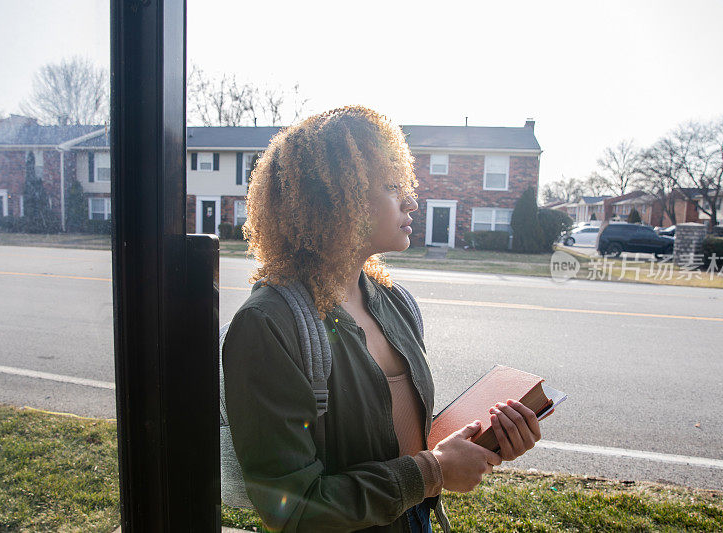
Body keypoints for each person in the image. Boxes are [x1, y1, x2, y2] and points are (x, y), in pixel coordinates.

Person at [222, 105, 542, 532]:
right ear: (336, 202)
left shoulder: (395, 301)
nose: (412, 199)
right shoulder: (268, 326)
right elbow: (293, 509)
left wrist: (479, 444)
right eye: (392, 186)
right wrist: (434, 472)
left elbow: (405, 442)